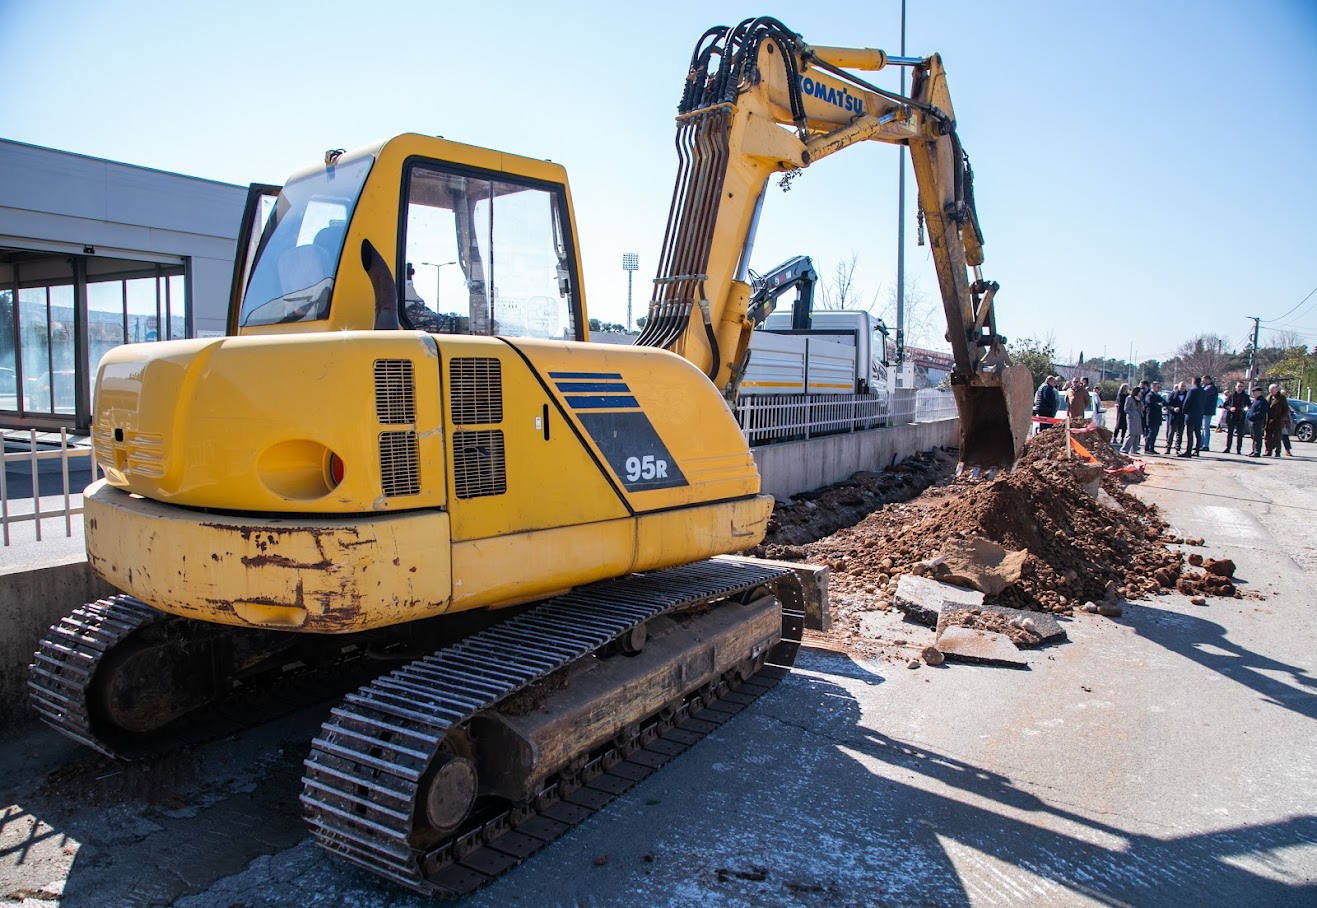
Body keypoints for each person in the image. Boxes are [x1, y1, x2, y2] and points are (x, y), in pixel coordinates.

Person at [1178, 376, 1205, 457]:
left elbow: (1187, 402)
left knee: (1190, 434)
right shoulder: (1203, 391)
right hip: (1199, 414)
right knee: (1198, 433)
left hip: (1191, 414)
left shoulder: (1192, 390)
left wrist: (1184, 411)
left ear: (1193, 381)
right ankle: (1197, 450)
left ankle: (1188, 451)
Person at [1222, 381, 1249, 455]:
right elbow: (1225, 405)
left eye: (1241, 386)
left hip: (1240, 416)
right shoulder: (1231, 395)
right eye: (1238, 386)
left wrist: (1244, 409)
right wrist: (1230, 408)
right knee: (1229, 433)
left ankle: (1238, 449)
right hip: (1231, 416)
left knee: (1240, 434)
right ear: (1236, 387)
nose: (1240, 388)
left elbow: (1249, 405)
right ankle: (1228, 448)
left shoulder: (1245, 396)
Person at [1264, 384, 1288, 457]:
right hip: (1268, 421)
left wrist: (1281, 417)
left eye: (1272, 390)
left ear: (1276, 390)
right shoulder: (1268, 397)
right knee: (1267, 437)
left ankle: (1277, 452)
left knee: (1277, 437)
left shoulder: (1281, 398)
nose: (1271, 391)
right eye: (1270, 390)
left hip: (1277, 421)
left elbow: (1286, 410)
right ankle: (1268, 451)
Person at [1143, 380, 1166, 454]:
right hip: (1151, 417)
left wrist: (1172, 408)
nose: (1159, 388)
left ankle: (1152, 448)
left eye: (1159, 387)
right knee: (1151, 433)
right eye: (1157, 387)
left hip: (1157, 418)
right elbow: (1150, 403)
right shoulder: (1149, 395)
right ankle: (1147, 448)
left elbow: (1164, 403)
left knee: (1155, 434)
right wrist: (1158, 405)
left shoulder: (1158, 396)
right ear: (1153, 387)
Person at [1245, 386, 1269, 457]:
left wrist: (1254, 416)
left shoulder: (1262, 401)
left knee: (1257, 437)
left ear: (1259, 392)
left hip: (1257, 421)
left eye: (1254, 392)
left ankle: (1257, 451)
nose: (1253, 393)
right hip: (1251, 421)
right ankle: (1253, 450)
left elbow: (1262, 412)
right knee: (1253, 436)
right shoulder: (1255, 400)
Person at [1165, 381, 1187, 453]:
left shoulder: (1187, 394)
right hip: (1174, 416)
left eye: (1184, 386)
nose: (1183, 388)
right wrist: (1173, 409)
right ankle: (1168, 448)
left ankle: (1178, 448)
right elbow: (1168, 405)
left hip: (1182, 416)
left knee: (1180, 433)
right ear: (1178, 387)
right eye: (1181, 386)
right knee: (1171, 432)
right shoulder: (1173, 394)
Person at [1121, 385, 1144, 455]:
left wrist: (1139, 401)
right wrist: (1132, 415)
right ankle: (1125, 449)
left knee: (1137, 434)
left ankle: (1134, 449)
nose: (1141, 393)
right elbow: (1126, 408)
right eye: (1140, 392)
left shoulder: (1138, 399)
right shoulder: (1129, 398)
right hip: (1132, 418)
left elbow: (1142, 407)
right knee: (1131, 434)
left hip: (1138, 417)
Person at [1200, 375, 1220, 452]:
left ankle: (1205, 445)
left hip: (1207, 411)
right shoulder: (1208, 387)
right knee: (1203, 428)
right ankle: (1201, 444)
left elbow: (1203, 394)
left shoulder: (1211, 388)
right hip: (1205, 410)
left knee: (1206, 428)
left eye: (1203, 380)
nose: (1202, 382)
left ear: (1208, 380)